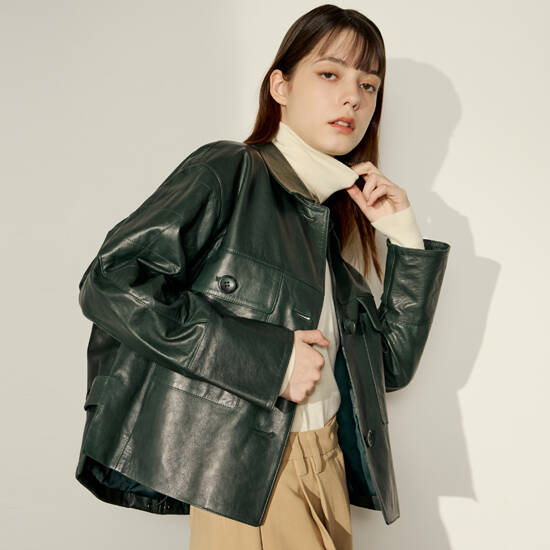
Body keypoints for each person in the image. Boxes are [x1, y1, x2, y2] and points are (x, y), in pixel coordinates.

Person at [75, 5, 450, 550]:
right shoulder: (231, 169)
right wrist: (271, 363)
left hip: (325, 465)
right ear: (280, 86)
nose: (353, 97)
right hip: (253, 476)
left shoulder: (325, 233)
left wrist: (406, 240)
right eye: (330, 74)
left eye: (368, 85)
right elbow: (111, 281)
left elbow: (389, 368)